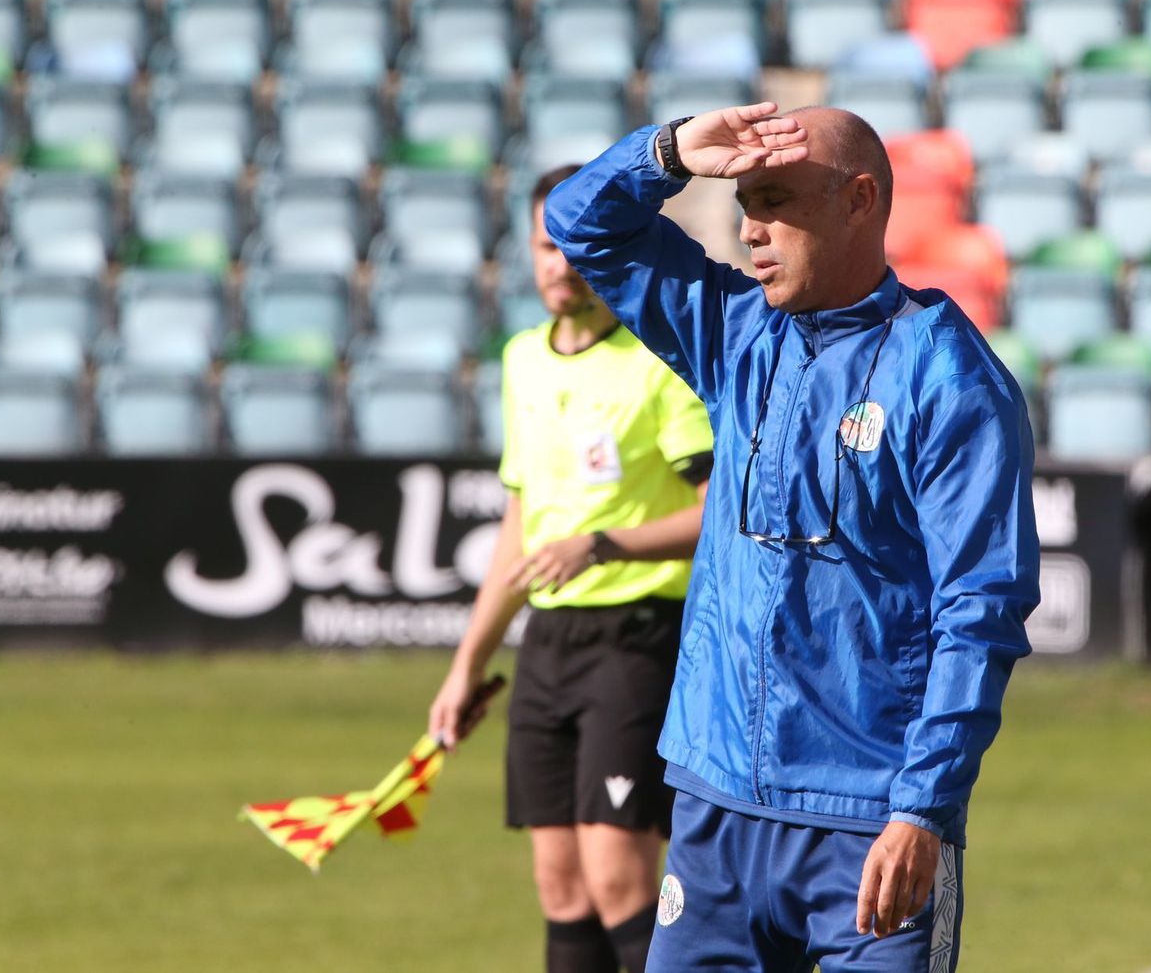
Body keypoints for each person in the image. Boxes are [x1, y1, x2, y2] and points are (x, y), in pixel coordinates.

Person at [543, 105, 1040, 972]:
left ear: (859, 200)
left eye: (775, 202)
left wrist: (922, 809)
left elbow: (980, 611)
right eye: (744, 205)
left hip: (871, 823)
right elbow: (580, 224)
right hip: (715, 804)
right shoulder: (734, 332)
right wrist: (668, 152)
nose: (749, 230)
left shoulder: (949, 377)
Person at [429, 165, 714, 973]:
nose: (559, 265)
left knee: (617, 878)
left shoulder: (655, 363)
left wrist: (602, 545)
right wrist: (467, 664)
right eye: (544, 248)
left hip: (637, 638)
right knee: (560, 886)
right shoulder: (522, 359)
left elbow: (719, 514)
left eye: (574, 247)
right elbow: (520, 525)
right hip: (547, 645)